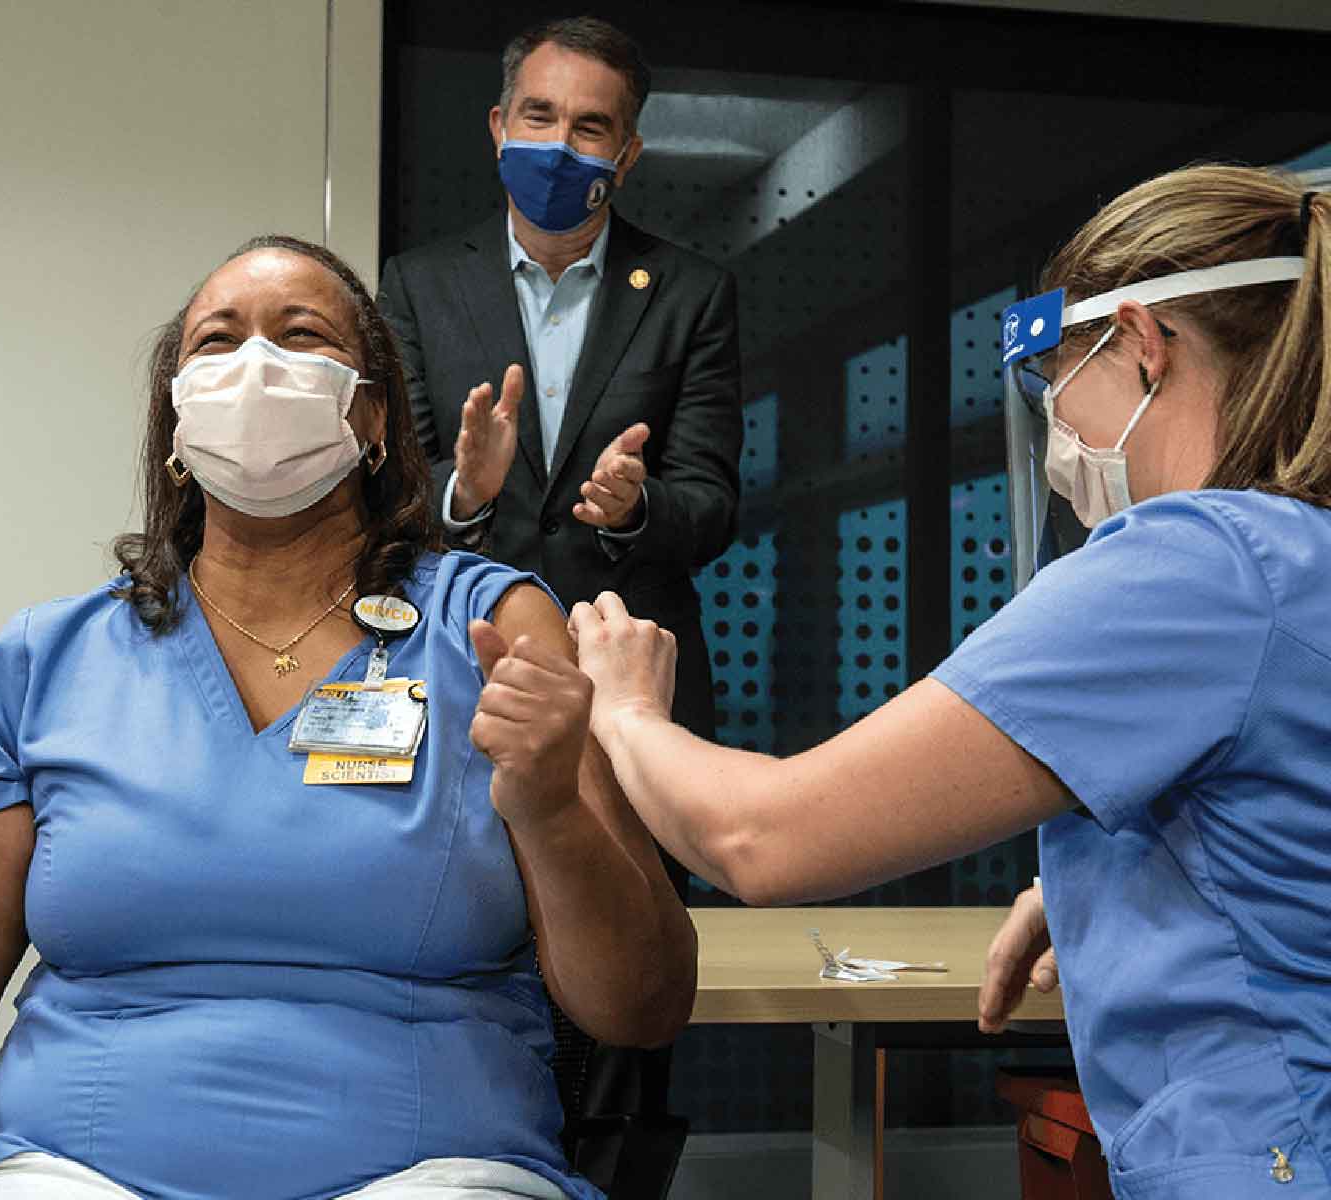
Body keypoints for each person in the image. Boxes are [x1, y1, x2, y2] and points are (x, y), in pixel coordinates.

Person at [0, 236, 696, 1200]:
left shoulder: (488, 625)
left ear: (371, 416)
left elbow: (643, 1002)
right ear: (175, 420)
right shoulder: (49, 660)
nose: (255, 366)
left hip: (427, 1165)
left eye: (301, 335)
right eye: (217, 342)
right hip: (65, 1166)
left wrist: (550, 809)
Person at [560, 165, 1331, 1198]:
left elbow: (764, 838)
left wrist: (625, 709)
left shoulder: (1192, 566)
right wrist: (1088, 887)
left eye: (1058, 384)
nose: (1056, 434)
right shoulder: (1299, 557)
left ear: (1142, 346)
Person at [377, 15, 742, 754]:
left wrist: (635, 507)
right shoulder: (418, 285)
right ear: (499, 126)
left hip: (630, 694)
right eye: (538, 116)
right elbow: (388, 498)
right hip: (461, 672)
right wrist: (465, 491)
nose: (557, 146)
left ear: (627, 154)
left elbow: (712, 506)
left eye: (589, 127)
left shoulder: (690, 294)